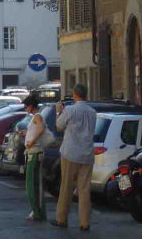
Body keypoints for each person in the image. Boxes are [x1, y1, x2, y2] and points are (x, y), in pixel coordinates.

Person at [52, 83, 97, 231]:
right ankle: (84, 222)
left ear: (75, 94)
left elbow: (59, 126)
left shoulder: (70, 110)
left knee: (66, 186)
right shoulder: (92, 112)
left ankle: (61, 218)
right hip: (87, 153)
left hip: (70, 152)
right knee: (84, 189)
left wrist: (58, 112)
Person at [23, 93, 48, 221]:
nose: (25, 109)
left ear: (31, 106)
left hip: (35, 152)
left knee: (33, 185)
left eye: (26, 106)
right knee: (32, 184)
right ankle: (36, 210)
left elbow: (40, 128)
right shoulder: (36, 116)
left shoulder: (37, 116)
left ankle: (37, 211)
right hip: (33, 152)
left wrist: (31, 141)